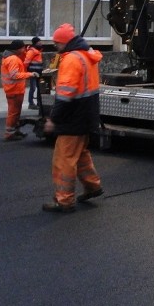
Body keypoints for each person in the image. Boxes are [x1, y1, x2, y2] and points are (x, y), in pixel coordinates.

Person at [42, 23, 104, 213]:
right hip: (86, 115)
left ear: (64, 43)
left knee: (64, 159)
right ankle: (93, 186)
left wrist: (53, 119)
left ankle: (64, 200)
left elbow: (64, 95)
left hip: (73, 118)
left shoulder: (70, 60)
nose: (56, 47)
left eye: (56, 43)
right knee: (80, 155)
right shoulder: (86, 55)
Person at [1, 39, 38, 141]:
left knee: (15, 112)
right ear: (18, 49)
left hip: (12, 90)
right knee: (13, 113)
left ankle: (14, 131)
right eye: (23, 48)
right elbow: (14, 75)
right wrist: (30, 74)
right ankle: (9, 133)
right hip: (14, 90)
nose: (24, 49)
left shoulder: (10, 57)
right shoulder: (13, 59)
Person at [24, 36, 44, 109]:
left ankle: (39, 102)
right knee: (33, 88)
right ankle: (31, 103)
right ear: (35, 43)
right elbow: (26, 62)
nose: (41, 43)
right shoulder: (32, 51)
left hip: (38, 72)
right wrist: (27, 72)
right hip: (33, 73)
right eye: (39, 42)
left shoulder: (37, 51)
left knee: (39, 88)